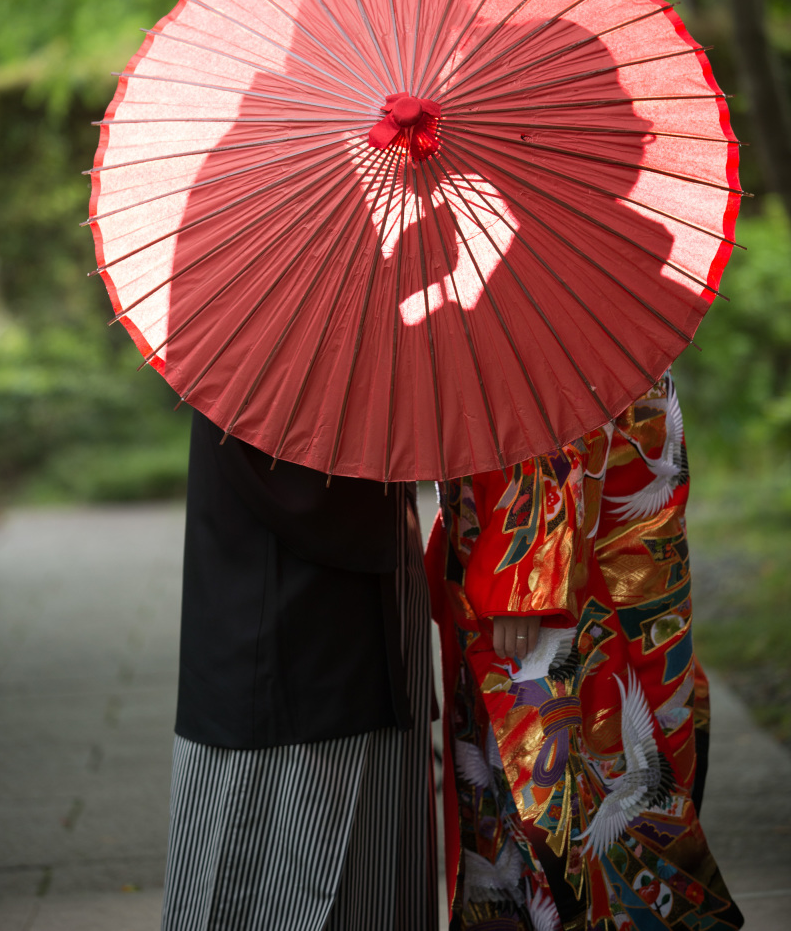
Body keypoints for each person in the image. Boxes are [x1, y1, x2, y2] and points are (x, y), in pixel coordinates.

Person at [426, 371, 744, 930]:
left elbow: (556, 405)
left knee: (569, 781)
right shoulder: (582, 305)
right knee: (624, 750)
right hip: (591, 547)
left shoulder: (530, 299)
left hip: (562, 573)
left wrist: (521, 579)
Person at [161, 410, 438, 931]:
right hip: (304, 618)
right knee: (278, 857)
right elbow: (301, 474)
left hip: (336, 609)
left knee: (369, 856)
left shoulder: (269, 338)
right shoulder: (273, 346)